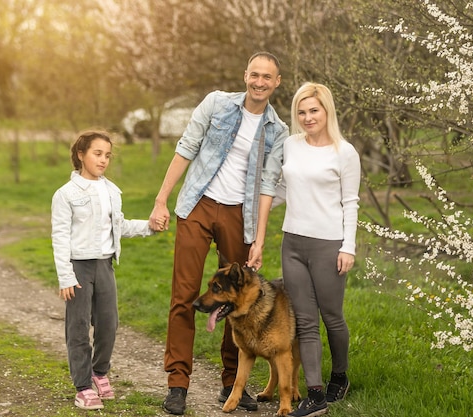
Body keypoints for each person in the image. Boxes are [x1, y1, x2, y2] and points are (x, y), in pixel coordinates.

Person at [148, 51, 288, 416]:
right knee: (185, 295)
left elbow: (268, 186)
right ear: (245, 75)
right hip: (198, 203)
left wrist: (258, 239)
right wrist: (161, 200)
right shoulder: (216, 103)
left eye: (267, 77)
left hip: (238, 216)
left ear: (277, 83)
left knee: (235, 301)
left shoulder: (278, 131)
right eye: (254, 74)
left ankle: (232, 383)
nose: (259, 82)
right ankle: (177, 383)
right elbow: (186, 148)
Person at [51, 130, 157, 410]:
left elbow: (118, 226)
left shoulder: (111, 190)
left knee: (108, 324)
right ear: (80, 154)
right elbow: (60, 236)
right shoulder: (66, 194)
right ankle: (83, 386)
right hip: (79, 268)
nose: (103, 160)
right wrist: (66, 276)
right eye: (97, 154)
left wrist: (149, 226)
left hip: (105, 265)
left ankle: (99, 373)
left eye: (107, 155)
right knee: (78, 328)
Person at [275, 82, 361, 417]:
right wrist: (254, 208)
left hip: (329, 246)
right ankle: (315, 395)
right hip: (292, 243)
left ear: (327, 112)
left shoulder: (345, 152)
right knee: (306, 322)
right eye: (302, 111)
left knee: (332, 317)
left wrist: (348, 247)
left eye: (314, 110)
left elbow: (350, 203)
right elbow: (283, 189)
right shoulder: (291, 145)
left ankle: (339, 375)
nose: (308, 117)